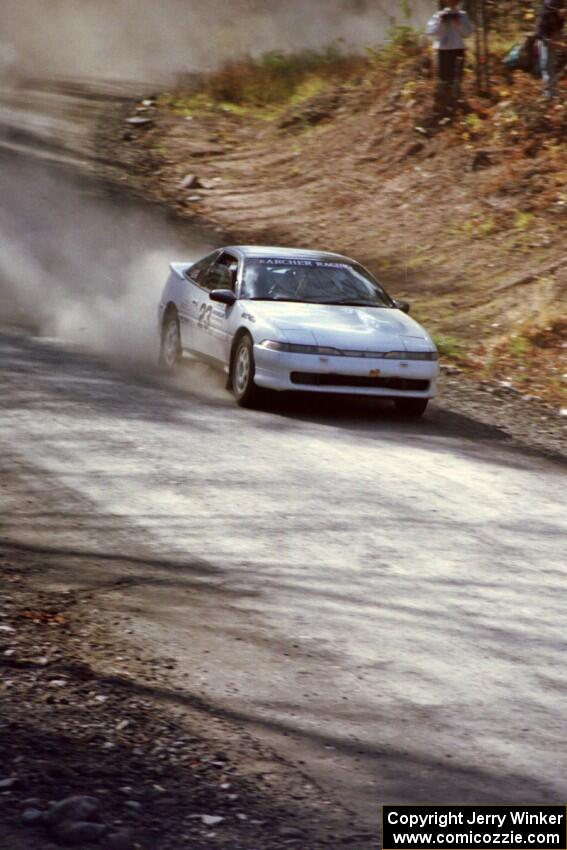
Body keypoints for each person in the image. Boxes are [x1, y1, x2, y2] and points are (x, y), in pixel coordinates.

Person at [426, 0, 475, 98]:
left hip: (458, 49)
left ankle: (456, 99)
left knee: (457, 77)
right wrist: (441, 22)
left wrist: (458, 23)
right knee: (443, 78)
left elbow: (468, 33)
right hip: (443, 50)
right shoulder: (438, 15)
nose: (451, 2)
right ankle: (444, 100)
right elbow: (431, 33)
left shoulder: (462, 15)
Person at [535, 0, 565, 98]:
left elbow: (559, 29)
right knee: (547, 66)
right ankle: (550, 94)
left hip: (552, 39)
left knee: (550, 66)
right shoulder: (546, 14)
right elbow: (540, 33)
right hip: (546, 40)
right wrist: (551, 42)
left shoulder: (559, 13)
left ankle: (552, 92)